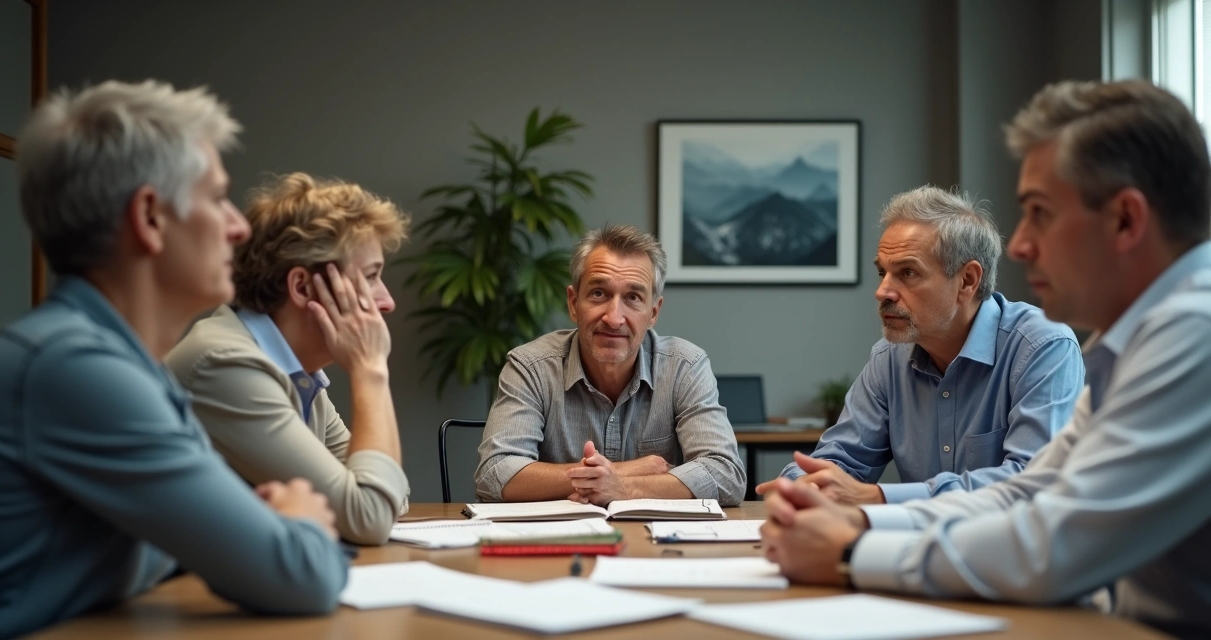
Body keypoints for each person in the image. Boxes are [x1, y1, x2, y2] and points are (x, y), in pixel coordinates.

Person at [760, 79, 1211, 640]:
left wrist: (854, 549)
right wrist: (860, 519)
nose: (1019, 245)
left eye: (1039, 213)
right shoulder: (1133, 341)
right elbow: (1026, 494)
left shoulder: (1195, 334)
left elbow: (1054, 545)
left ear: (1124, 220)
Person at [0, 81, 347, 639]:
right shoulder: (78, 368)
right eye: (216, 198)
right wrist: (298, 516)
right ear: (150, 216)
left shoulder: (124, 362)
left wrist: (265, 528)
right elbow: (301, 574)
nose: (239, 227)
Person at [759, 186, 1083, 505]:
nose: (883, 291)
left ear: (967, 280)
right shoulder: (889, 357)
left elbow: (1032, 481)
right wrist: (804, 486)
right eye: (882, 272)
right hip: (920, 549)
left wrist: (880, 497)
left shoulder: (1043, 346)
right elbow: (840, 460)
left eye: (908, 273)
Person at [166, 172, 410, 545]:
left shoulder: (299, 373)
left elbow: (389, 494)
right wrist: (370, 369)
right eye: (371, 276)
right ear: (302, 286)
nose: (387, 301)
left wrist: (369, 495)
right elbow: (370, 515)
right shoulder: (226, 363)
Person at [475, 224, 746, 506]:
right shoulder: (531, 366)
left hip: (655, 545)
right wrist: (624, 471)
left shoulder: (685, 367)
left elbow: (726, 475)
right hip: (561, 543)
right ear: (573, 303)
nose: (614, 318)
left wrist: (625, 489)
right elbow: (495, 474)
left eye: (633, 297)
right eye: (599, 294)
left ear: (653, 313)